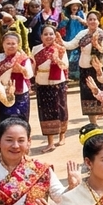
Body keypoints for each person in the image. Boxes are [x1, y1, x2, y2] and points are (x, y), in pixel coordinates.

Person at [66, 11, 103, 126]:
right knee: (87, 95)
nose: (92, 21)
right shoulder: (82, 33)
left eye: (94, 19)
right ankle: (94, 124)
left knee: (101, 94)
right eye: (90, 19)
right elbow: (71, 45)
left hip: (98, 69)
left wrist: (96, 45)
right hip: (84, 68)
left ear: (98, 21)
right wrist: (60, 42)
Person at [32, 24, 69, 152]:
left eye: (51, 34)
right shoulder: (35, 49)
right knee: (45, 111)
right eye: (45, 34)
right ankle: (50, 142)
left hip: (58, 82)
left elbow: (65, 66)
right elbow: (33, 67)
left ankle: (62, 135)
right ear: (41, 36)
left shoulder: (60, 49)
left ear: (55, 35)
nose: (48, 37)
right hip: (42, 82)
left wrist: (57, 60)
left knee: (60, 109)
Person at [0, 31, 34, 122]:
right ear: (3, 44)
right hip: (2, 93)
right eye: (8, 43)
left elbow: (29, 75)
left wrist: (22, 70)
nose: (11, 46)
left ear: (18, 45)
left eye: (13, 44)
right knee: (4, 120)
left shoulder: (23, 59)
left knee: (20, 120)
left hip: (20, 94)